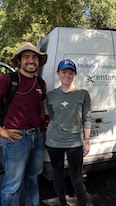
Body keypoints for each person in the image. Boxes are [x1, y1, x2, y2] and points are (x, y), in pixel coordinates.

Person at [0, 42, 47, 206]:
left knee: (33, 179)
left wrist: (42, 127)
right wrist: (2, 132)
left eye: (34, 57)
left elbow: (39, 107)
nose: (31, 60)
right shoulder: (7, 80)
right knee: (12, 185)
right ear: (19, 60)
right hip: (16, 140)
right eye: (26, 57)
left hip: (37, 138)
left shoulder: (41, 83)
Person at [45, 59, 91, 206]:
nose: (67, 75)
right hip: (54, 141)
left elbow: (87, 118)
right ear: (58, 73)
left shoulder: (83, 94)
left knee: (76, 177)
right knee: (57, 174)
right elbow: (52, 116)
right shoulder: (51, 95)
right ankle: (62, 203)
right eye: (64, 72)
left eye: (70, 73)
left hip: (75, 142)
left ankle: (82, 203)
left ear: (75, 75)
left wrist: (87, 141)